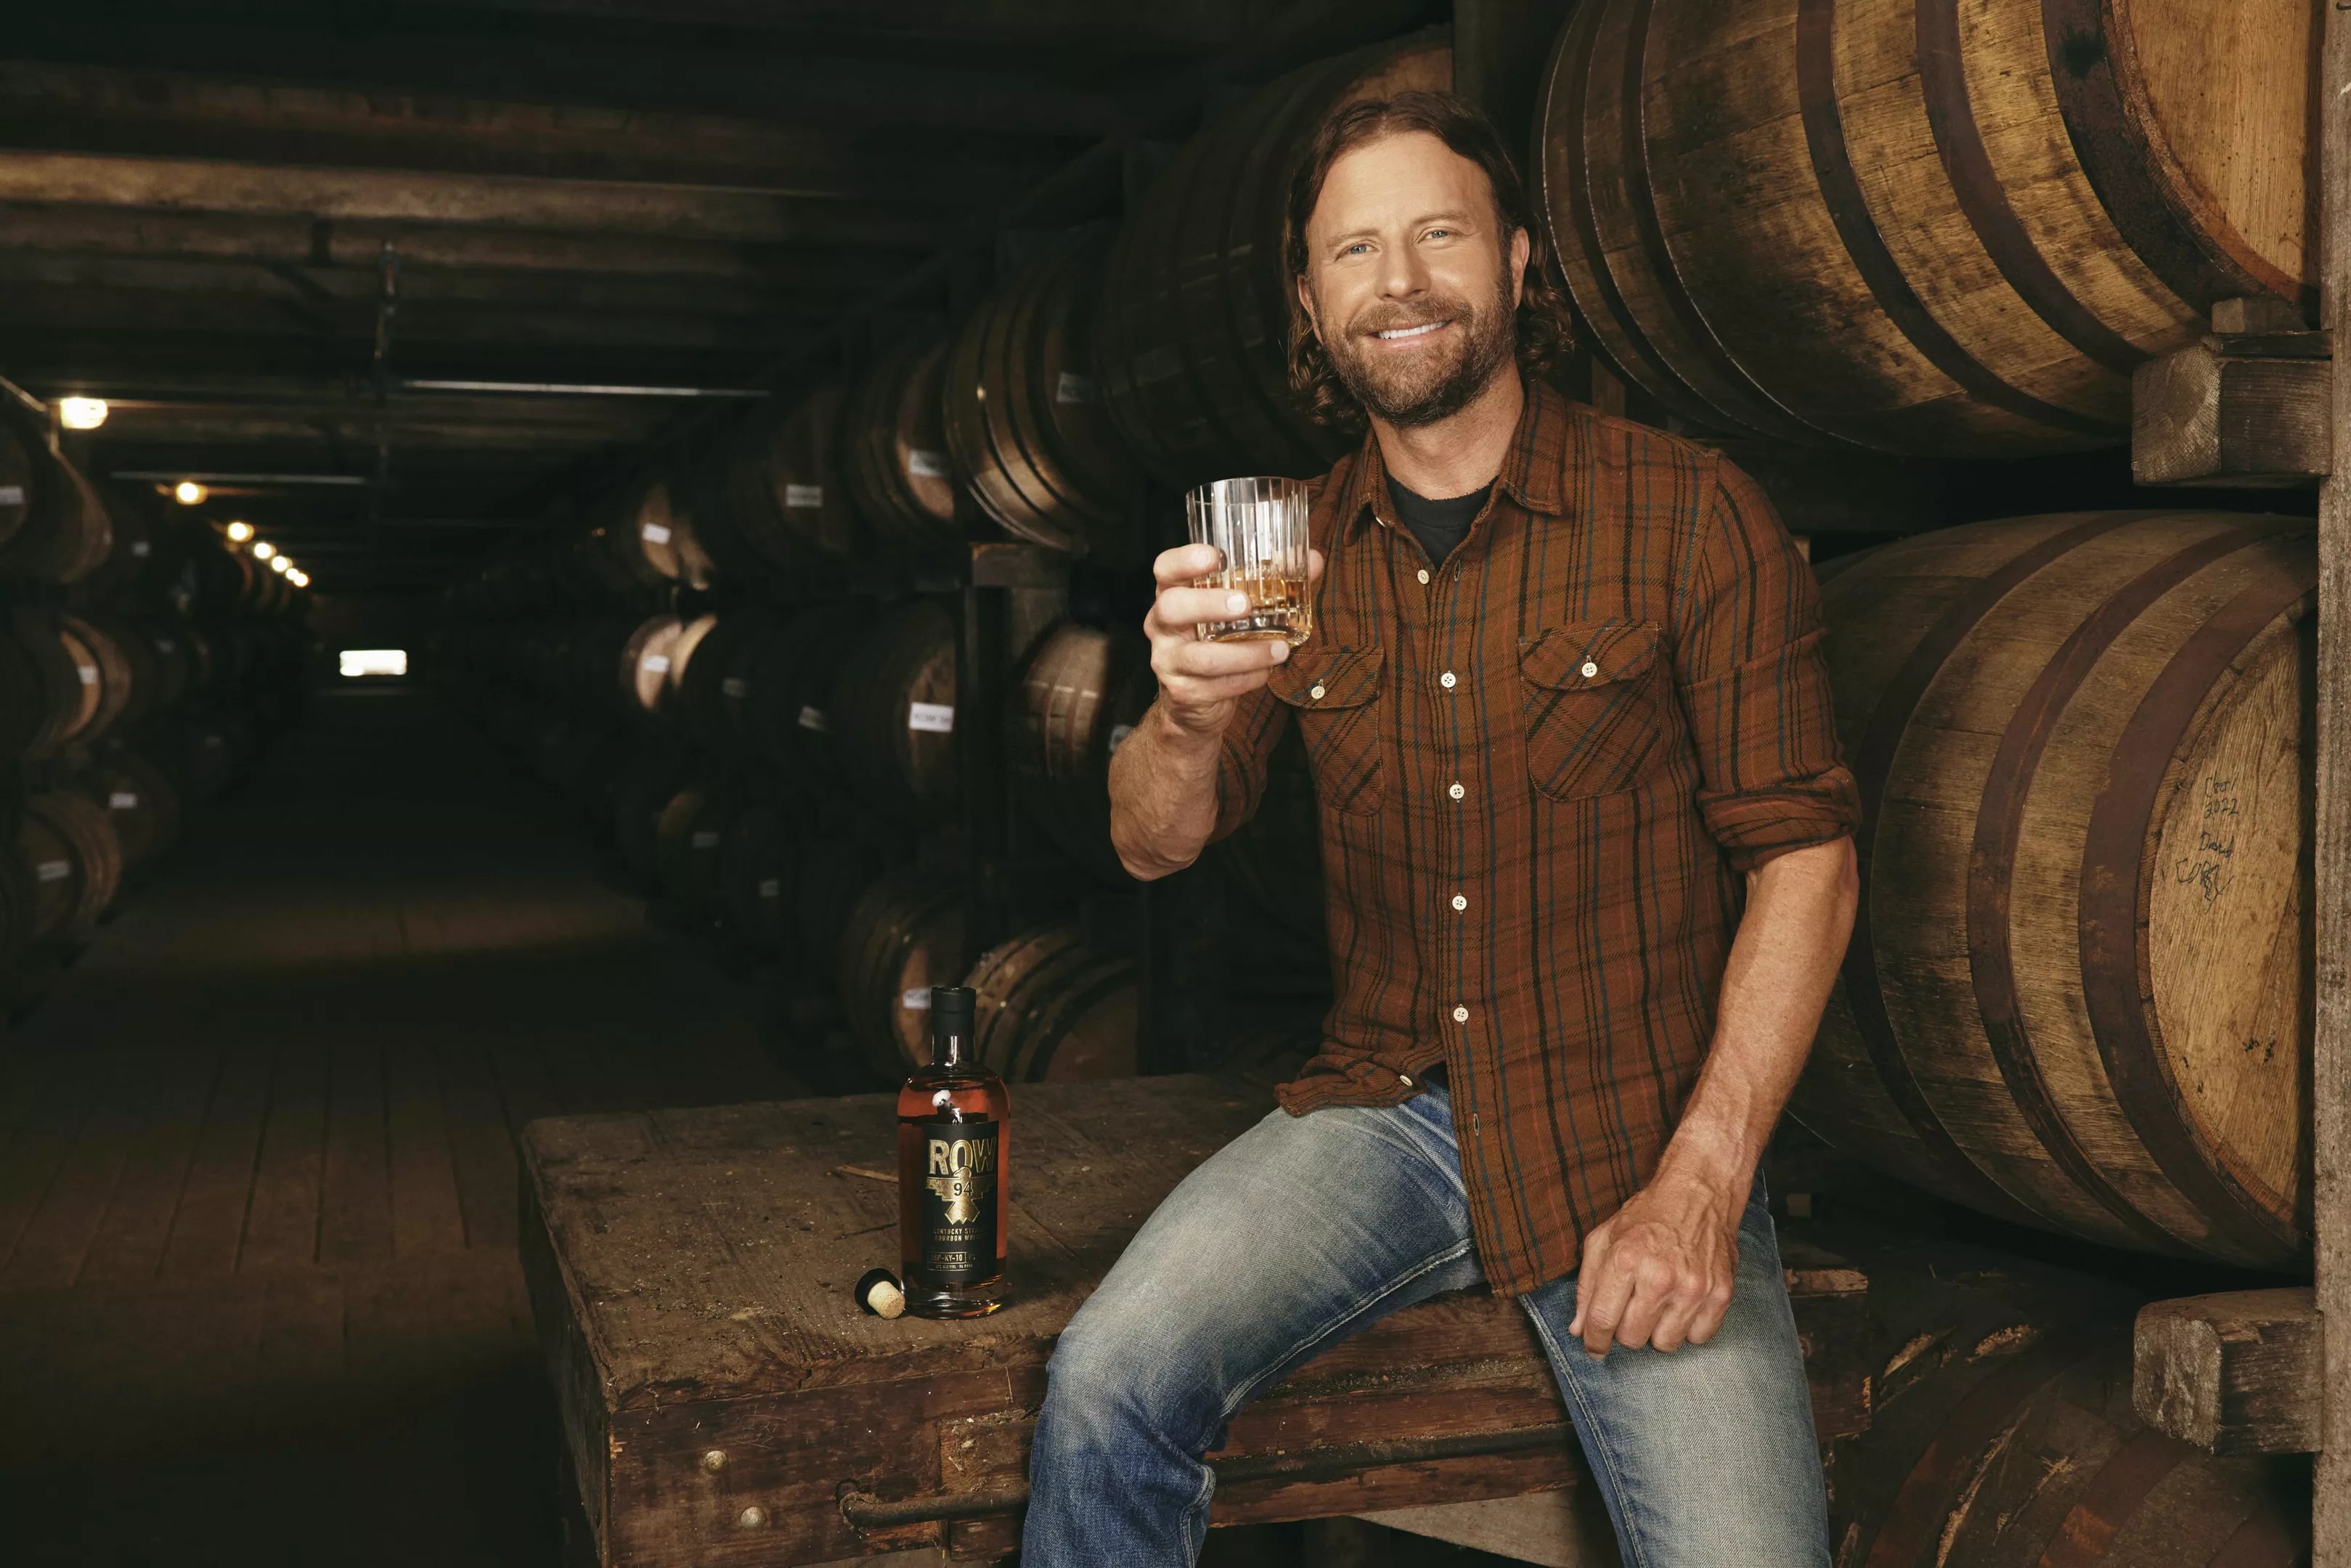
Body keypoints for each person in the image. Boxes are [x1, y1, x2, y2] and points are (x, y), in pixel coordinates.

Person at [1022, 89, 1862, 1568]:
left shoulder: (1689, 516)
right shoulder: (1285, 549)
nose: (1397, 281)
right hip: (1386, 1115)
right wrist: (1186, 720)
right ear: (1308, 301)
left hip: (1635, 1127)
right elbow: (1151, 843)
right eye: (1353, 250)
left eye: (1437, 236)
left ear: (1516, 262)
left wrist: (1703, 1184)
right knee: (1106, 1383)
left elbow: (1804, 857)